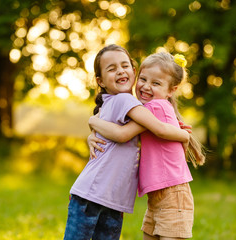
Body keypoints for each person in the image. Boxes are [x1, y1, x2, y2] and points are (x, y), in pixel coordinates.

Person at [63, 45, 190, 240]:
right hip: (99, 195)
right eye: (112, 68)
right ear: (100, 81)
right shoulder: (125, 100)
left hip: (106, 197)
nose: (121, 71)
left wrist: (92, 122)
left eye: (125, 65)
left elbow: (142, 131)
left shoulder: (122, 103)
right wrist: (184, 135)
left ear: (133, 70)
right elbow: (144, 131)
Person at [88, 52, 206, 239]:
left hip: (172, 195)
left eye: (156, 83)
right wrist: (92, 135)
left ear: (171, 90)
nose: (146, 86)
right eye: (143, 79)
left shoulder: (153, 108)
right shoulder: (152, 109)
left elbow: (121, 134)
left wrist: (93, 122)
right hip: (159, 197)